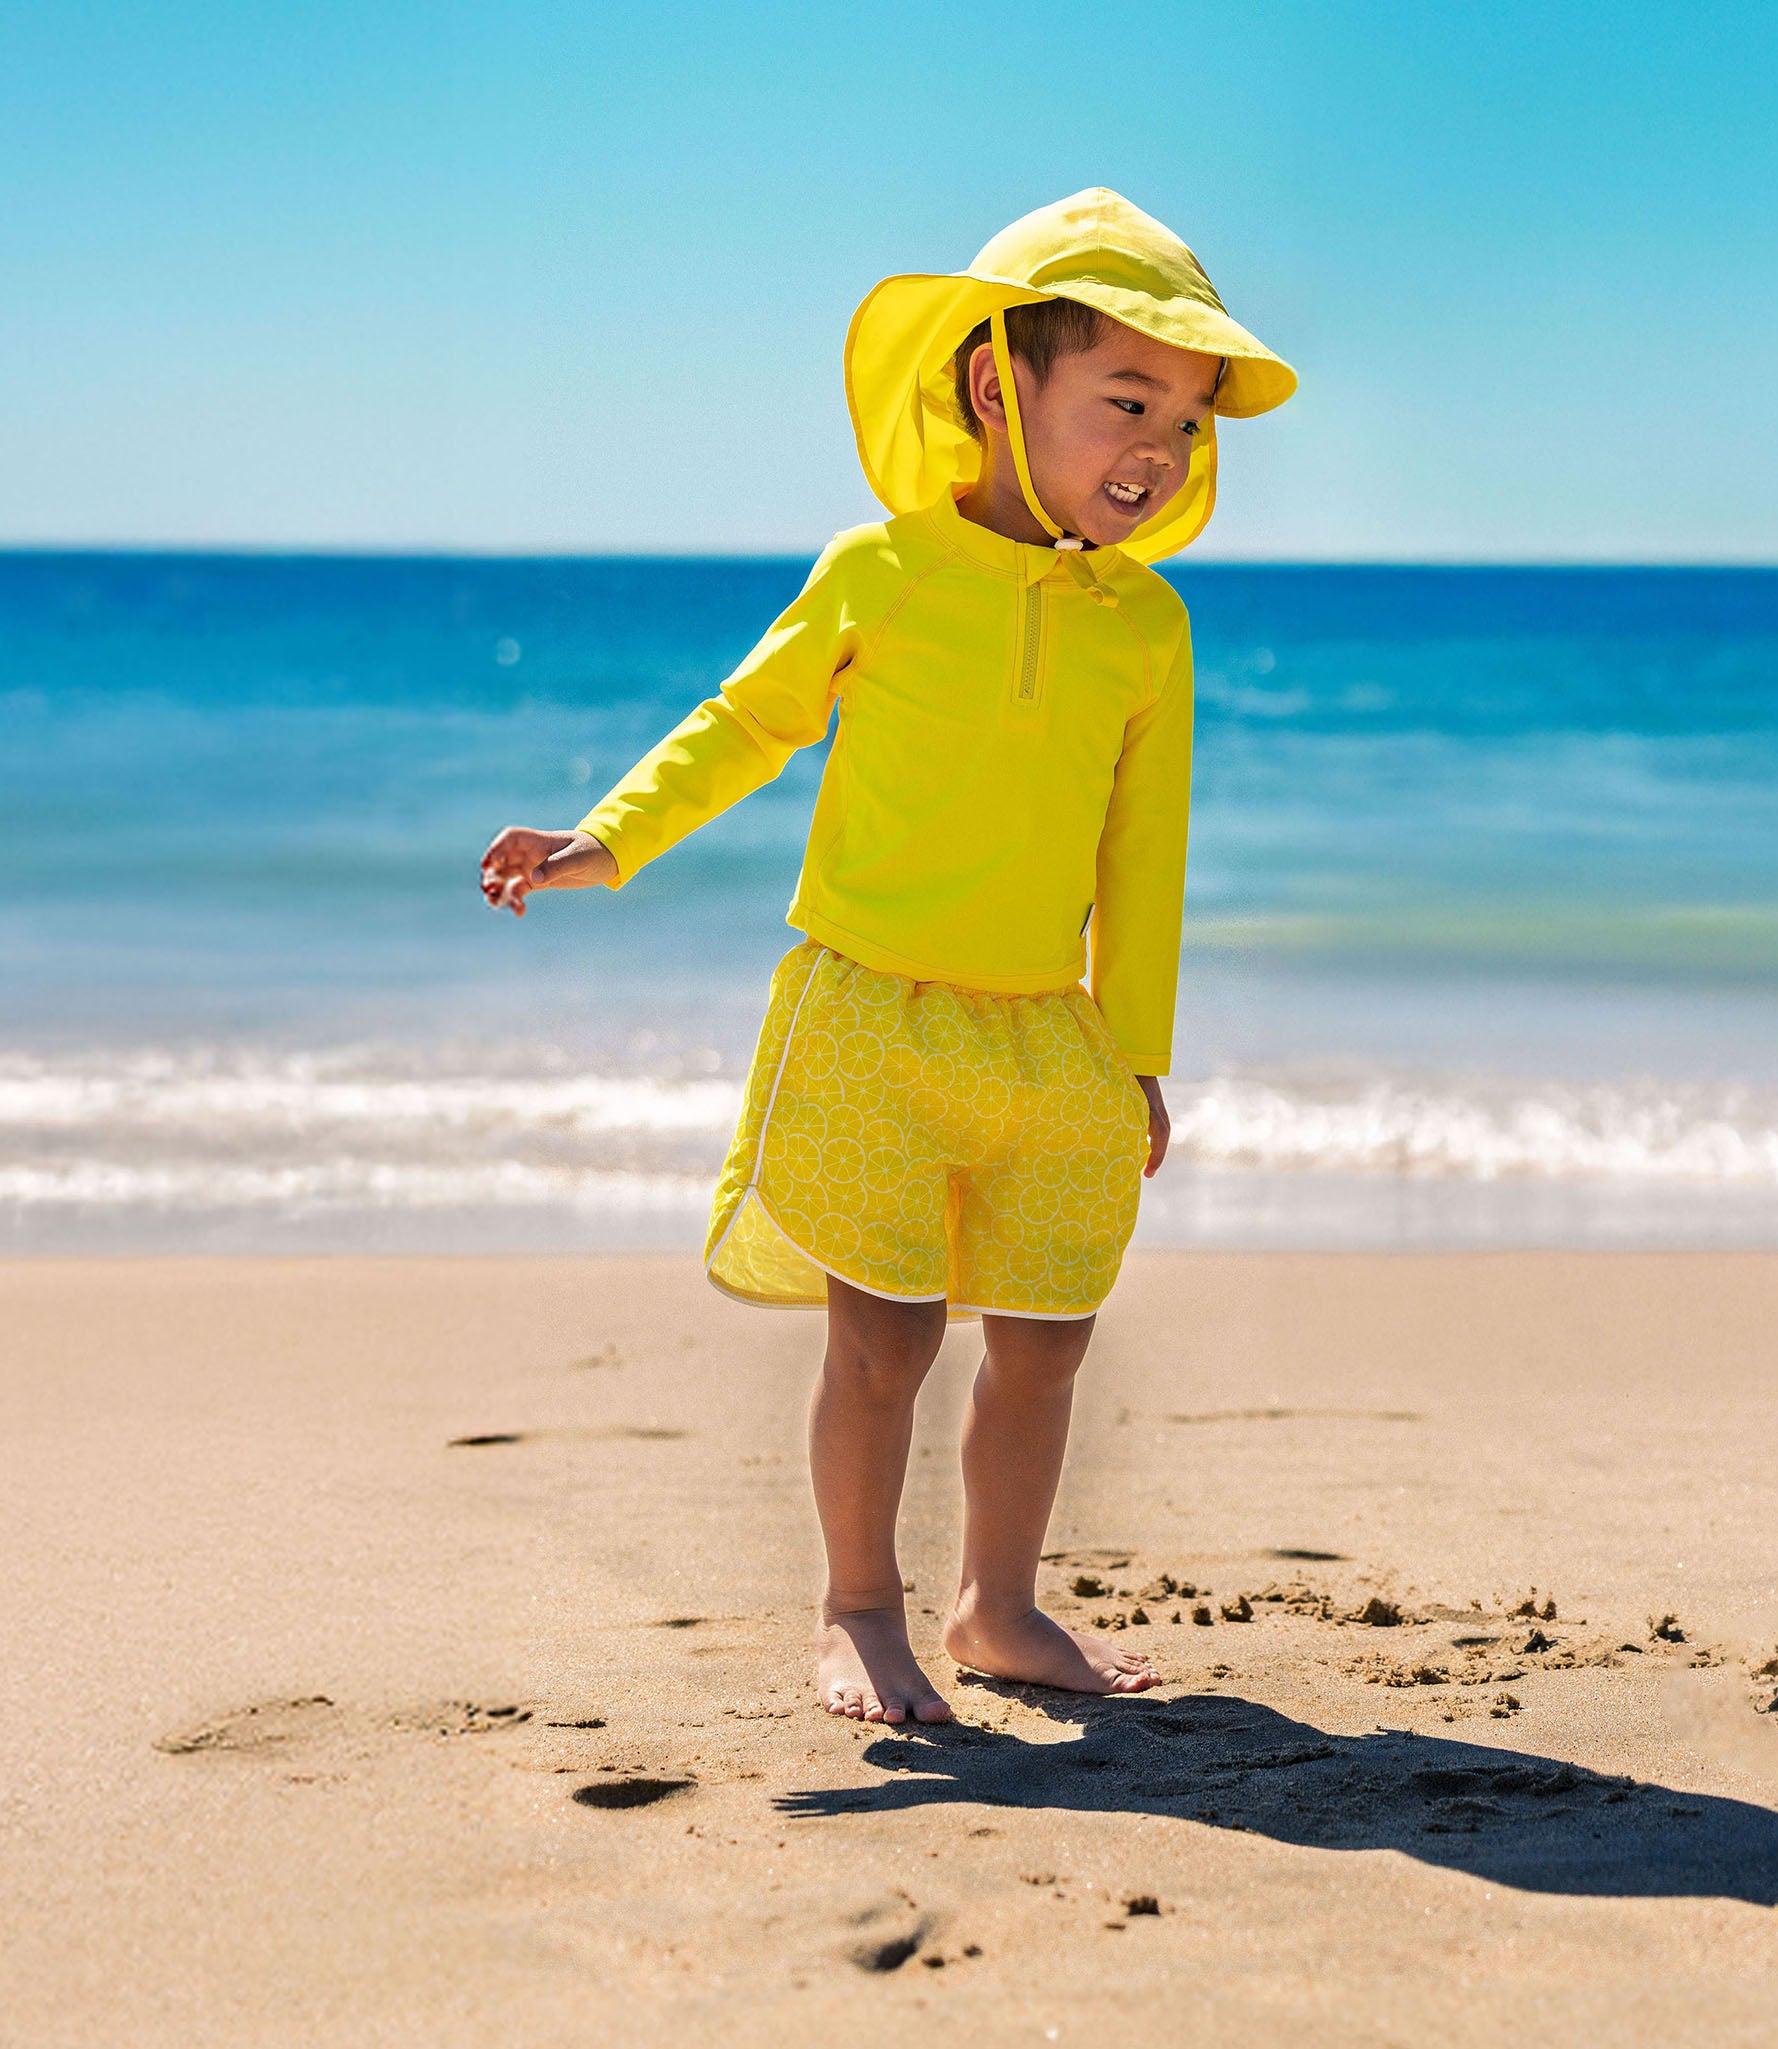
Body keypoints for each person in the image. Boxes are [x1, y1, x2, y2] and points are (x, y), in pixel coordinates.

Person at [480, 189, 1294, 1725]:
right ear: (997, 385)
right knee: (885, 1337)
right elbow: (745, 722)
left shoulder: (1148, 629)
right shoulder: (884, 572)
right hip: (875, 1015)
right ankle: (859, 1604)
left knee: (1050, 1338)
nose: (1162, 447)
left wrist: (1135, 1055)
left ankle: (999, 1606)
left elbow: (1146, 858)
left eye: (1189, 421)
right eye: (1128, 399)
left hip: (1046, 1035)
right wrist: (607, 838)